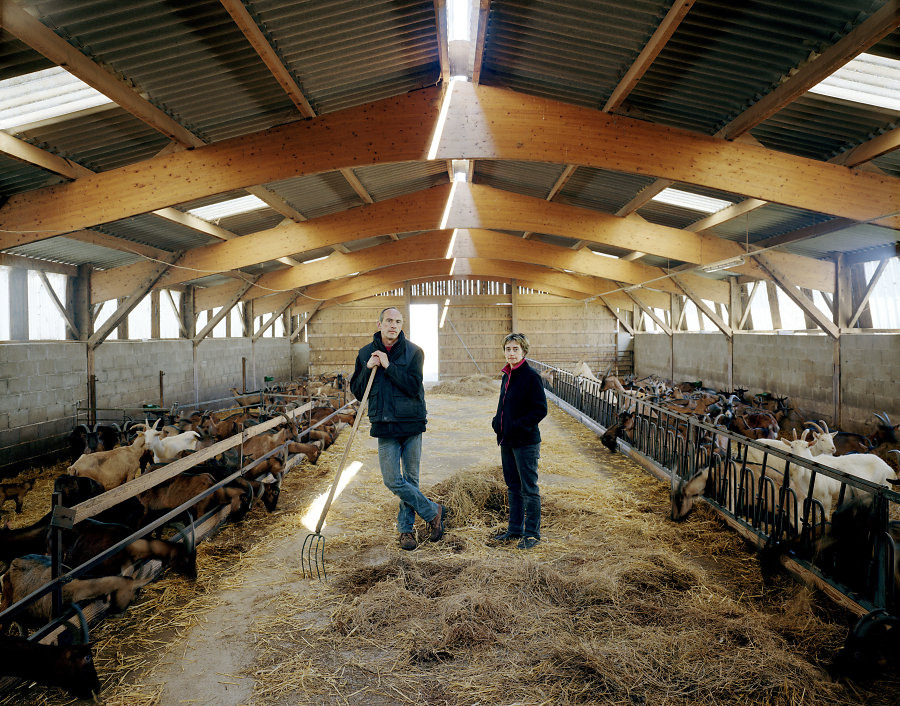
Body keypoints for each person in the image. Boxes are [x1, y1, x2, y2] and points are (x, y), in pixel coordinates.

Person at [350, 306, 445, 551]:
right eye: (389, 320)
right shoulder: (364, 353)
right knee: (392, 479)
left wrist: (389, 366)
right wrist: (369, 367)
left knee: (411, 479)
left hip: (411, 423)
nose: (394, 325)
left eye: (398, 321)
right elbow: (360, 392)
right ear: (379, 323)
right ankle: (432, 510)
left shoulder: (414, 352)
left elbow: (413, 387)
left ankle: (405, 531)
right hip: (384, 425)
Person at [491, 332, 547, 549]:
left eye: (515, 349)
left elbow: (540, 409)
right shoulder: (507, 375)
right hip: (506, 440)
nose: (511, 353)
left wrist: (517, 426)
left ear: (524, 351)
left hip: (525, 442)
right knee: (513, 486)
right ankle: (515, 529)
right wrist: (497, 422)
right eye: (508, 349)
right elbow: (504, 404)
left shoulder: (531, 376)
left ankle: (532, 534)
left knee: (529, 488)